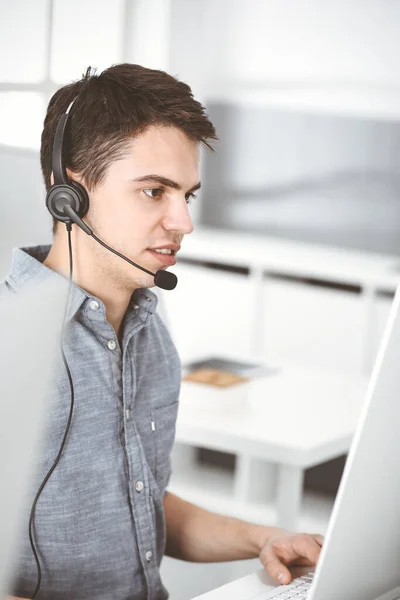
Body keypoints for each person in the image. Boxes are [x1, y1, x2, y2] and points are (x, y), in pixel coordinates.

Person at [2, 63, 323, 600]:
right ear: (69, 196)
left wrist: (264, 538)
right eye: (155, 192)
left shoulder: (147, 331)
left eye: (187, 196)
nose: (184, 222)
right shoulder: (12, 343)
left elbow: (140, 502)